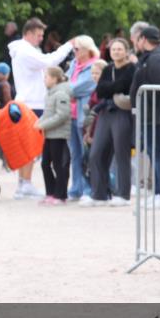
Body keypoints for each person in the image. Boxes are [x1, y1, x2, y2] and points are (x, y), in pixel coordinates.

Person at [8, 18, 73, 199]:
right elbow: (50, 61)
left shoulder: (23, 50)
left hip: (27, 101)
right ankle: (26, 183)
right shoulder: (25, 51)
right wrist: (68, 46)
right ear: (28, 33)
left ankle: (23, 183)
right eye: (38, 35)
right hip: (32, 102)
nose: (41, 38)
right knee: (31, 145)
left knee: (27, 144)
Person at [81, 38, 135, 207]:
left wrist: (111, 87)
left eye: (120, 49)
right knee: (96, 152)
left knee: (121, 154)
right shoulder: (108, 68)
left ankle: (123, 194)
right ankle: (99, 194)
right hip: (105, 113)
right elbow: (101, 90)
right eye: (113, 49)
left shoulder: (132, 68)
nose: (116, 52)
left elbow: (126, 85)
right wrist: (114, 87)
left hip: (122, 112)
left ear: (126, 51)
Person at [130, 25, 160, 207]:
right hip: (150, 115)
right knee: (155, 153)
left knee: (159, 154)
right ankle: (159, 192)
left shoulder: (156, 59)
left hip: (156, 115)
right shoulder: (151, 57)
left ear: (143, 39)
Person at [65, 35, 99, 202]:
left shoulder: (94, 66)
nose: (74, 52)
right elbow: (63, 83)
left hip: (84, 116)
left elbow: (79, 88)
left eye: (77, 49)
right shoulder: (73, 65)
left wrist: (65, 90)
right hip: (70, 115)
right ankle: (76, 188)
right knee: (75, 154)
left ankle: (88, 188)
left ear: (87, 49)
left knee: (86, 154)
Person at [34, 67, 73, 205]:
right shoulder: (49, 94)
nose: (44, 79)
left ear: (55, 78)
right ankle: (50, 193)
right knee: (45, 164)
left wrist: (44, 125)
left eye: (46, 77)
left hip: (59, 135)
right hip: (49, 135)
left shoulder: (61, 94)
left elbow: (62, 115)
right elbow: (48, 113)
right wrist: (39, 122)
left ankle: (60, 195)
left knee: (59, 165)